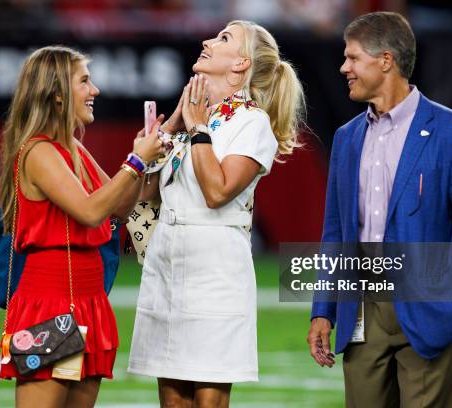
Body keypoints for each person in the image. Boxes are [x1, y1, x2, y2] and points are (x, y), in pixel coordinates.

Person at [307, 12, 452, 407]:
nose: (344, 67)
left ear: (386, 60)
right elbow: (336, 233)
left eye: (353, 58)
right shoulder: (346, 138)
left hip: (428, 307)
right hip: (360, 307)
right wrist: (323, 310)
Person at [127, 20, 305, 407]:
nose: (207, 40)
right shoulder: (192, 115)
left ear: (241, 64)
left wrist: (197, 129)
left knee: (208, 401)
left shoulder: (252, 122)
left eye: (224, 38)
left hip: (216, 272)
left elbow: (217, 191)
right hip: (167, 260)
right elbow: (141, 199)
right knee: (172, 400)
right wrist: (163, 135)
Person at [0, 45, 164, 407]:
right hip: (51, 304)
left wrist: (144, 156)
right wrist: (136, 161)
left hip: (88, 301)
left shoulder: (72, 147)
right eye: (85, 81)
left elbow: (119, 206)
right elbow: (90, 212)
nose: (95, 91)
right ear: (57, 94)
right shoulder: (39, 151)